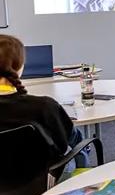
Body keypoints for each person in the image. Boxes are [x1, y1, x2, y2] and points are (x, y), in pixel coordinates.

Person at [0, 35, 87, 175]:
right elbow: (63, 145)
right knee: (75, 139)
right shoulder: (45, 107)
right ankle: (83, 178)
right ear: (19, 66)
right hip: (42, 181)